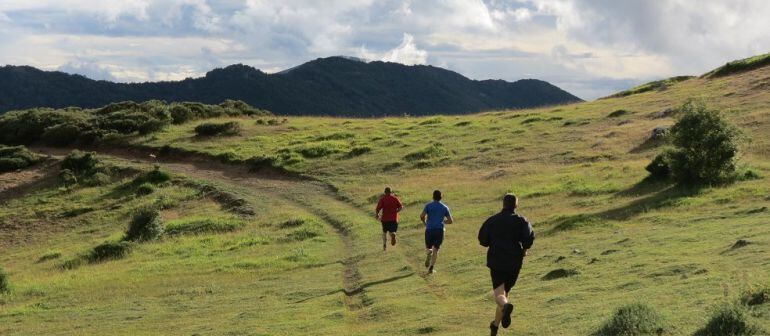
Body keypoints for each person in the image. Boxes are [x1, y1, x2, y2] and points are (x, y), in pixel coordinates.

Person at [478, 193, 534, 336]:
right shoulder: (522, 221)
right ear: (516, 205)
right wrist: (524, 250)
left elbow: (483, 240)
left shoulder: (492, 220)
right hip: (514, 262)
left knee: (499, 295)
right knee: (504, 294)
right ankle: (495, 326)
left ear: (503, 204)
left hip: (497, 261)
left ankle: (505, 307)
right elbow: (528, 238)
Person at [420, 190, 453, 274]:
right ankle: (431, 268)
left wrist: (424, 223)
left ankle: (428, 252)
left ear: (433, 196)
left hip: (429, 229)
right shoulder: (444, 207)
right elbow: (450, 221)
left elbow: (422, 216)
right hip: (439, 230)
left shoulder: (428, 206)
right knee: (436, 250)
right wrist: (443, 222)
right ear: (441, 197)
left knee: (428, 247)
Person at [375, 186, 403, 251]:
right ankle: (393, 234)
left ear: (385, 192)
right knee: (392, 231)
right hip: (394, 219)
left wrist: (377, 214)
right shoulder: (395, 198)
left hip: (385, 219)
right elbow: (401, 206)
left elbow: (377, 208)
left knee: (384, 232)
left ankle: (384, 245)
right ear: (391, 192)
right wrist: (397, 211)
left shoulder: (383, 199)